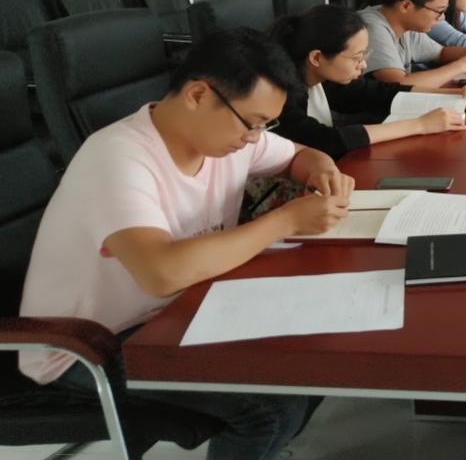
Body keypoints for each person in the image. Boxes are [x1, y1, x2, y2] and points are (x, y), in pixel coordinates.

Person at [19, 27, 353, 460]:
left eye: (264, 126)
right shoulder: (116, 157)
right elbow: (162, 273)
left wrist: (323, 170)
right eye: (251, 123)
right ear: (198, 95)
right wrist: (285, 220)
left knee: (318, 357)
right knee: (270, 406)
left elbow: (298, 155)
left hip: (181, 310)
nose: (254, 138)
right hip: (87, 346)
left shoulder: (226, 139)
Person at [271, 4, 466, 160]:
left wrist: (453, 95)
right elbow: (324, 141)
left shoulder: (318, 75)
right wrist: (420, 125)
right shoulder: (278, 94)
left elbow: (373, 93)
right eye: (356, 58)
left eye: (365, 55)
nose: (363, 65)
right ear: (317, 57)